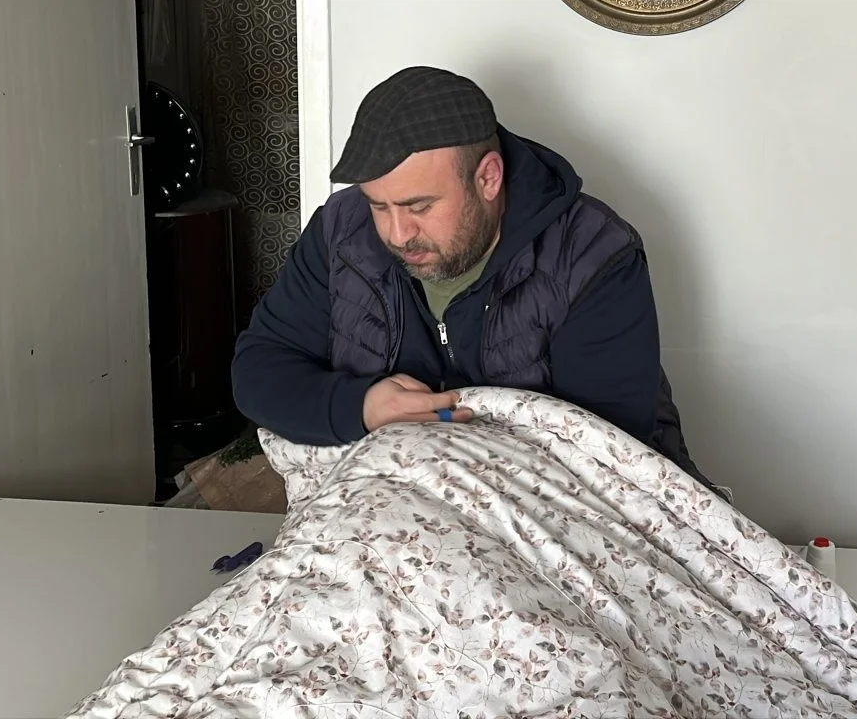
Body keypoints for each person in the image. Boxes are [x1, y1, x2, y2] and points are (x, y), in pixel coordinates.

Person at [232, 66, 717, 493]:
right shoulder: (341, 232)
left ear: (488, 178)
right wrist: (360, 407)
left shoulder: (592, 254)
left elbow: (604, 451)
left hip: (553, 500)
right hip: (386, 499)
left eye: (420, 206)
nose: (397, 234)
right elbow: (259, 371)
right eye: (379, 206)